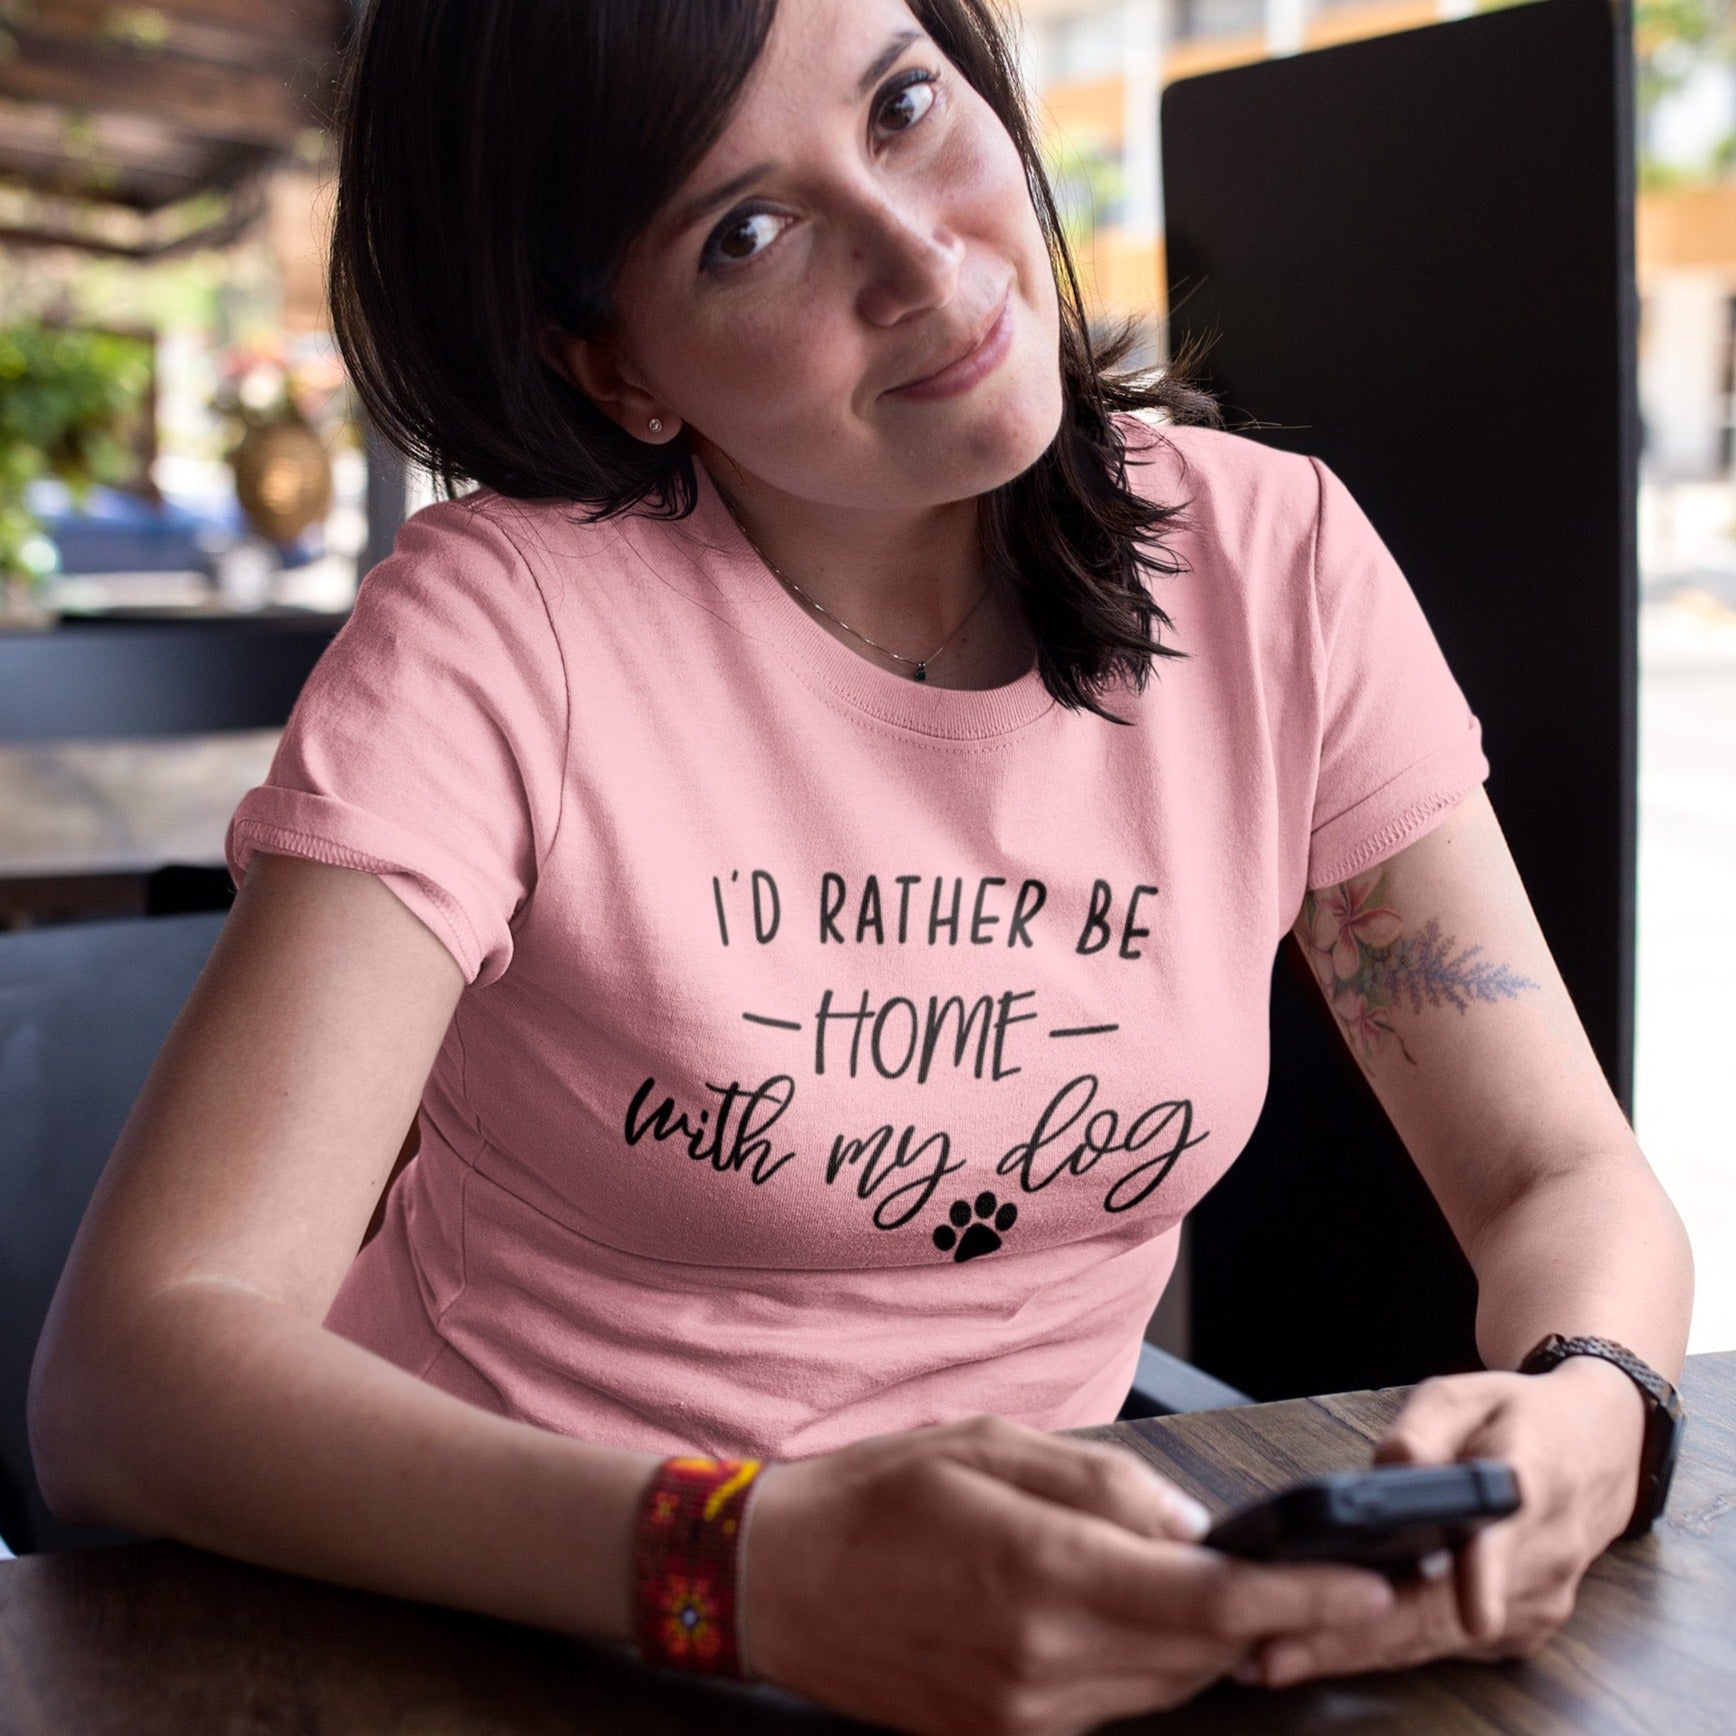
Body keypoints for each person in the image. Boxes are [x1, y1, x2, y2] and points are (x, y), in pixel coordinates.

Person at [28, 1, 1692, 1732]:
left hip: (1027, 1629)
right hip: (494, 1628)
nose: (917, 256)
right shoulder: (501, 633)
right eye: (747, 230)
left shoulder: (1274, 572)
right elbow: (132, 1376)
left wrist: (1593, 1408)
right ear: (614, 364)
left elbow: (1559, 1173)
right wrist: (745, 1562)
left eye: (906, 106)